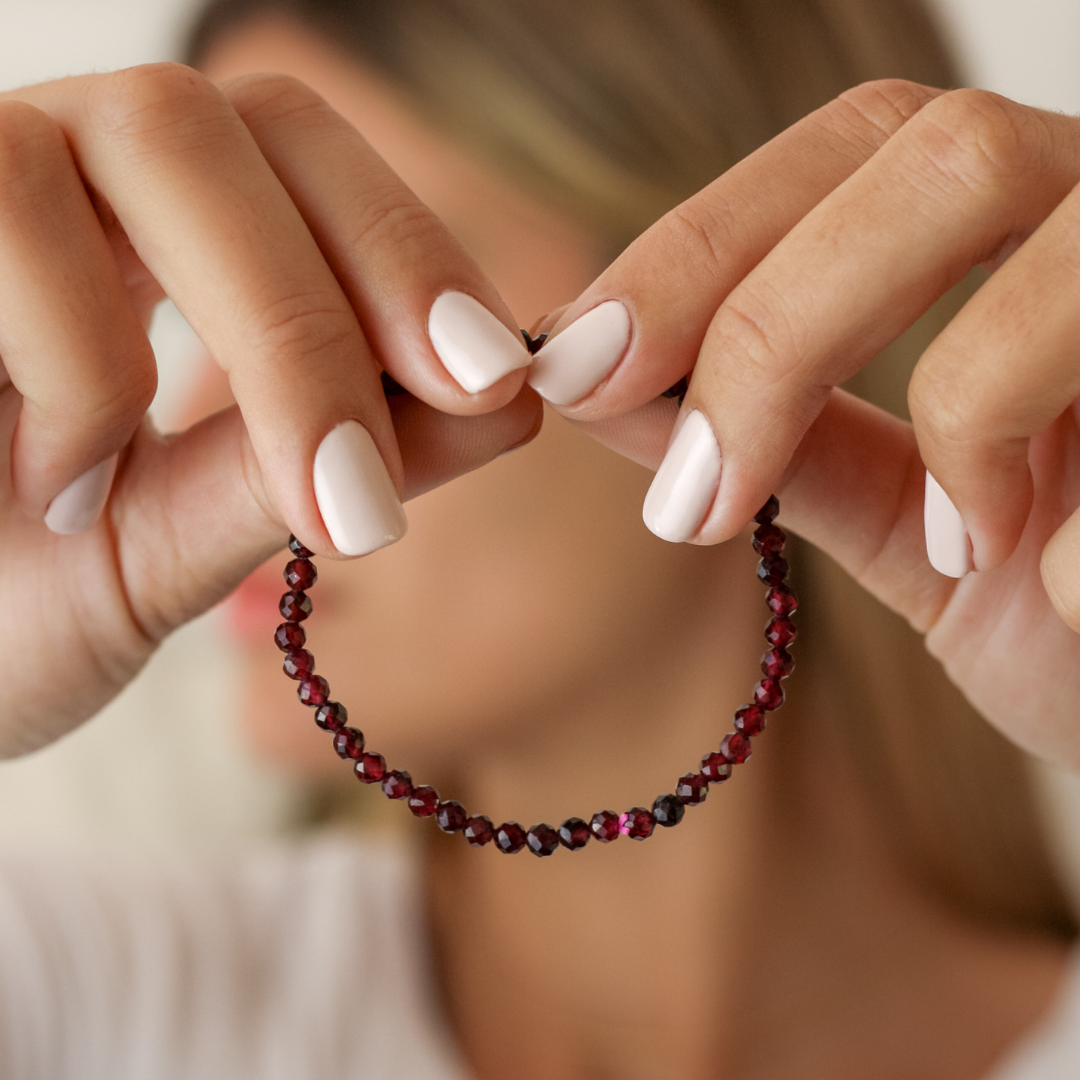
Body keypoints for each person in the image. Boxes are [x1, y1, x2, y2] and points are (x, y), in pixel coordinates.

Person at [0, 0, 1078, 1076]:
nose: (202, 422)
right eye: (220, 309)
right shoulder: (78, 998)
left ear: (778, 290)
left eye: (334, 285)